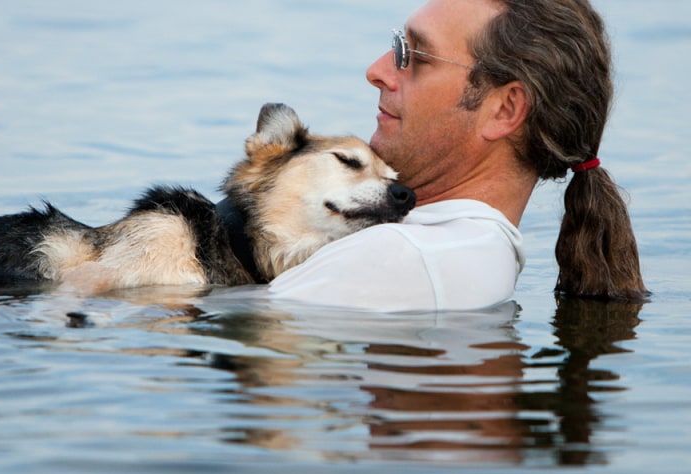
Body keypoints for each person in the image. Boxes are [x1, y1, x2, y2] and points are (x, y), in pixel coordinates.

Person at [267, 0, 648, 311]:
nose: (377, 71)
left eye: (415, 55)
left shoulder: (404, 257)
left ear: (505, 110)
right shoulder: (465, 252)